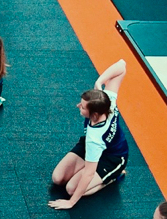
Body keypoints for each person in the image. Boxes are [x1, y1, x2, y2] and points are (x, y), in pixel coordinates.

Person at [49, 59, 128, 210]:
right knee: (57, 178)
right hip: (92, 148)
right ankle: (90, 167)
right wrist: (99, 83)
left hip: (112, 157)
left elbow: (89, 174)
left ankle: (113, 175)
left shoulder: (95, 138)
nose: (78, 106)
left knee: (71, 189)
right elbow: (122, 65)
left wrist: (71, 202)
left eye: (83, 107)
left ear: (94, 114)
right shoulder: (107, 101)